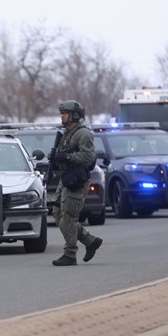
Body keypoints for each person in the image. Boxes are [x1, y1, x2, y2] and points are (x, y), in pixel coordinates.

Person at [48, 100, 103, 266]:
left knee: (69, 217)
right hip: (65, 178)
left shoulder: (83, 134)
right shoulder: (66, 134)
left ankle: (70, 254)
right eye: (62, 113)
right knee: (58, 214)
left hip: (77, 180)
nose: (62, 116)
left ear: (75, 115)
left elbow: (88, 157)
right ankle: (90, 241)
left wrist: (68, 157)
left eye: (65, 113)